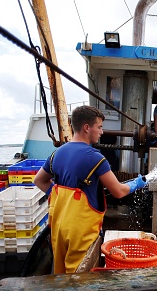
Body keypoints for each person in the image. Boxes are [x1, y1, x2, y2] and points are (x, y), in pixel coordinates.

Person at [33, 105, 148, 274]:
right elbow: (118, 191)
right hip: (80, 231)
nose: (101, 132)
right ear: (87, 128)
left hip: (58, 227)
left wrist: (59, 197)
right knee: (79, 278)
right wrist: (137, 183)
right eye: (99, 127)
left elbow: (39, 180)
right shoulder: (95, 158)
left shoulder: (57, 154)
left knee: (59, 274)